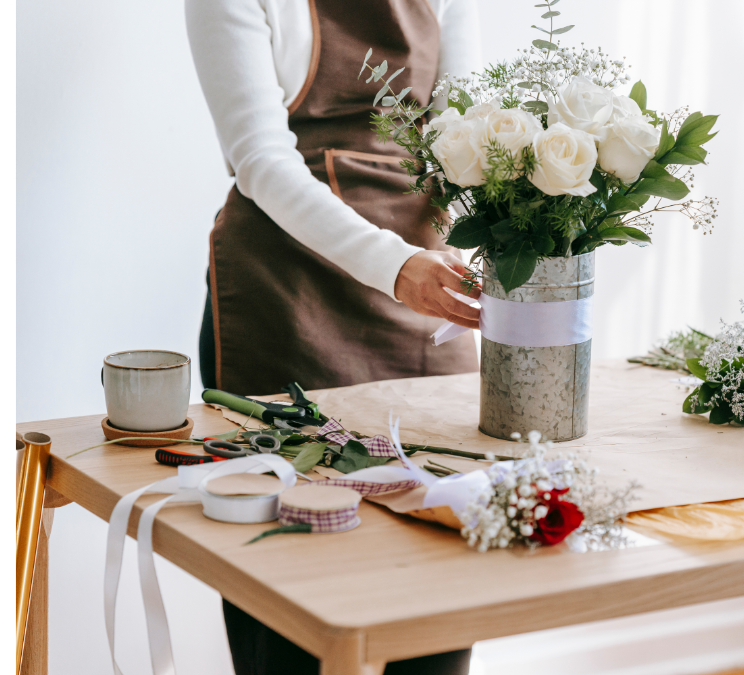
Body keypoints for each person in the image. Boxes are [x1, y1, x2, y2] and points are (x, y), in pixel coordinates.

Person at [186, 0, 481, 672]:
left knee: (439, 589)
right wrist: (394, 265)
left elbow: (469, 132)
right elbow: (259, 157)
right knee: (292, 605)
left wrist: (491, 240)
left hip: (426, 289)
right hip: (284, 297)